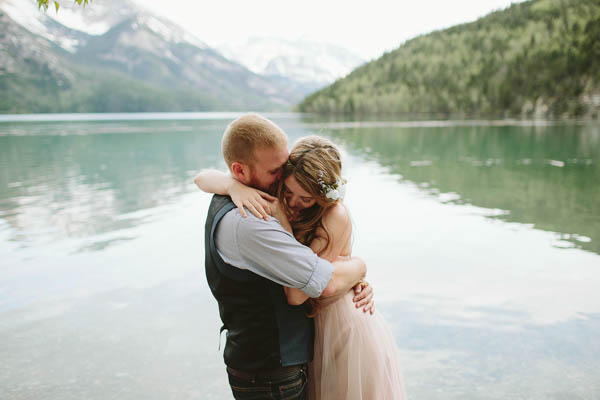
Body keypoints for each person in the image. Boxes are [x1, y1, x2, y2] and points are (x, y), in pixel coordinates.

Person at [198, 129, 407, 399]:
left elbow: (301, 292)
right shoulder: (262, 193)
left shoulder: (333, 215)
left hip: (341, 327)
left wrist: (360, 269)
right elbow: (202, 178)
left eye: (306, 199)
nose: (294, 203)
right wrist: (231, 186)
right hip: (311, 332)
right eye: (288, 191)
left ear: (322, 198)